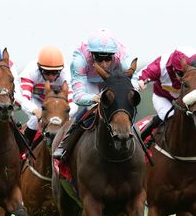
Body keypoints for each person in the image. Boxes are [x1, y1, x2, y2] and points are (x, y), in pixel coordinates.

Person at [52, 28, 139, 161]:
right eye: (99, 58)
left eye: (108, 59)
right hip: (89, 82)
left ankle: (139, 142)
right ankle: (66, 143)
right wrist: (94, 98)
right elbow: (78, 96)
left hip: (114, 80)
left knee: (124, 104)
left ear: (113, 55)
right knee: (91, 110)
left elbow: (133, 80)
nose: (104, 64)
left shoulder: (121, 53)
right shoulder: (79, 60)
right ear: (91, 54)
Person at [136, 46, 196, 140]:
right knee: (172, 116)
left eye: (187, 74)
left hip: (187, 100)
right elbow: (137, 77)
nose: (183, 79)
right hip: (163, 98)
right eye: (181, 74)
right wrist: (140, 82)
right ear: (173, 68)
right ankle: (142, 139)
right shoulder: (160, 65)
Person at [18, 45, 78, 143]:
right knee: (34, 119)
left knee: (68, 121)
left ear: (61, 70)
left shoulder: (67, 73)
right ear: (39, 68)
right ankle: (25, 149)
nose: (51, 77)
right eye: (46, 72)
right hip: (36, 99)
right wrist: (35, 110)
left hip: (58, 104)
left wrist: (63, 113)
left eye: (55, 73)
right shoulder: (31, 71)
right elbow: (24, 99)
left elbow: (73, 102)